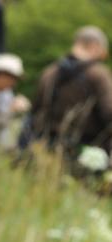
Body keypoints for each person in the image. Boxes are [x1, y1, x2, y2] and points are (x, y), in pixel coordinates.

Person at [28, 26, 112, 162]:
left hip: (48, 152)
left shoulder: (49, 72)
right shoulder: (99, 73)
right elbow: (109, 112)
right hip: (88, 154)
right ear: (94, 45)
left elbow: (35, 112)